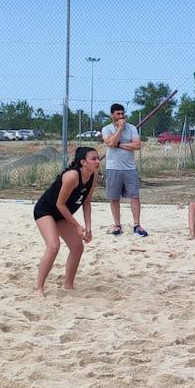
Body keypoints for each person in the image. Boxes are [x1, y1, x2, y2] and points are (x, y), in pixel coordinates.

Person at [34, 146, 99, 295]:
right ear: (83, 162)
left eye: (98, 158)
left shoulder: (93, 176)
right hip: (46, 211)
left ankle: (68, 285)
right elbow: (59, 204)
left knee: (77, 247)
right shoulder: (72, 176)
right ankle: (39, 287)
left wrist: (88, 227)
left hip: (62, 214)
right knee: (53, 246)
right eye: (93, 159)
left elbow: (87, 202)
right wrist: (77, 225)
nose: (97, 161)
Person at [101, 103, 146, 236]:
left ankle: (137, 224)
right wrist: (119, 129)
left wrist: (119, 144)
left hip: (129, 168)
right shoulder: (107, 129)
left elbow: (137, 145)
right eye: (118, 114)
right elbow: (110, 143)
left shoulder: (132, 128)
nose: (121, 116)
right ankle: (117, 225)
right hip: (113, 167)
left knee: (134, 196)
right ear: (112, 115)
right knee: (114, 198)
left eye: (122, 113)